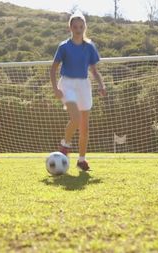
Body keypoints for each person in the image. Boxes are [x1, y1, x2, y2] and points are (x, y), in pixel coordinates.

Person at [50, 11, 106, 171]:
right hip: (67, 84)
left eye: (81, 26)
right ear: (70, 28)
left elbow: (94, 70)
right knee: (75, 118)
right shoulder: (64, 47)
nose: (78, 29)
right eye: (75, 26)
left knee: (84, 126)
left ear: (84, 27)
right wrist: (55, 89)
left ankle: (81, 160)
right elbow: (53, 69)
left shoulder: (89, 47)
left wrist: (102, 85)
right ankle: (64, 146)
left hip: (84, 86)